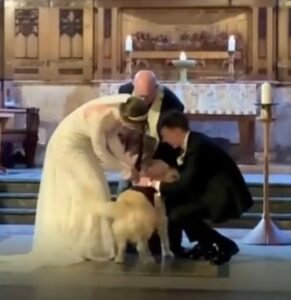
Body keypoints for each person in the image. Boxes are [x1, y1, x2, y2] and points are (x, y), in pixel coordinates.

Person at [0, 94, 149, 272]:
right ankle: (86, 244)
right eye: (133, 125)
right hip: (68, 147)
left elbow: (112, 139)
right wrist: (124, 170)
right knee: (92, 188)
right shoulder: (99, 116)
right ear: (126, 117)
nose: (133, 129)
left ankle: (94, 242)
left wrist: (127, 163)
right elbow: (100, 150)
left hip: (84, 146)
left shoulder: (124, 107)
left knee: (98, 188)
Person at [142, 110, 254, 265]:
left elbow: (186, 183)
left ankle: (225, 245)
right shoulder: (194, 141)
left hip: (223, 196)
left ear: (176, 130)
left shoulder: (198, 146)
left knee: (179, 213)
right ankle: (206, 245)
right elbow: (188, 177)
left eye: (165, 135)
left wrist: (153, 183)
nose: (165, 141)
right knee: (176, 206)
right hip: (210, 191)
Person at [118, 70, 185, 255]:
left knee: (163, 201)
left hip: (161, 153)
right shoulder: (123, 92)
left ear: (157, 89)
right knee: (124, 194)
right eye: (139, 95)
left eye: (147, 96)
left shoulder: (172, 104)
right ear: (133, 87)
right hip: (132, 150)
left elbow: (172, 140)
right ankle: (126, 242)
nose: (143, 100)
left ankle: (171, 245)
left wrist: (158, 167)